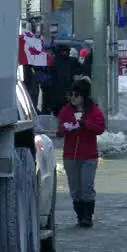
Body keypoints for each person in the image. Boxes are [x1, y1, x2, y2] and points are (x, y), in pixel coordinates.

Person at [57, 78, 106, 228]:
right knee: (75, 188)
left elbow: (100, 128)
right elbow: (59, 130)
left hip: (89, 155)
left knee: (87, 186)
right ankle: (79, 214)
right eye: (71, 94)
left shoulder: (93, 111)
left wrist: (85, 124)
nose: (73, 98)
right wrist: (67, 127)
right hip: (70, 155)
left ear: (83, 96)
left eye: (76, 95)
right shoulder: (66, 111)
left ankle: (87, 216)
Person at [42, 44, 79, 115]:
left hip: (58, 97)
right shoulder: (71, 62)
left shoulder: (52, 62)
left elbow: (45, 83)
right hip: (64, 97)